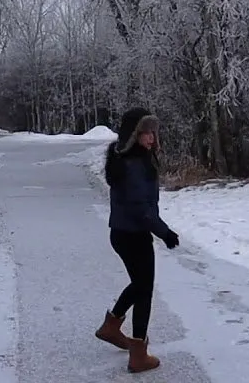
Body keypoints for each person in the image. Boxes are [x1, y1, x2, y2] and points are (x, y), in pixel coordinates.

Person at [93, 107, 179, 373]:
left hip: (121, 233)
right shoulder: (133, 164)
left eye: (153, 132)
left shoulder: (126, 158)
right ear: (134, 134)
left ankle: (112, 325)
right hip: (134, 234)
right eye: (146, 133)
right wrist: (164, 232)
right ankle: (138, 353)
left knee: (140, 285)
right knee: (144, 290)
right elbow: (141, 208)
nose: (151, 138)